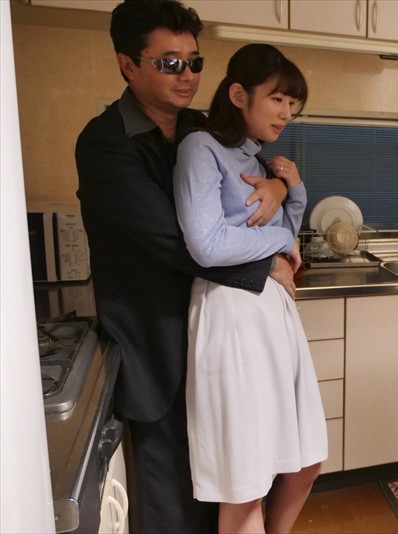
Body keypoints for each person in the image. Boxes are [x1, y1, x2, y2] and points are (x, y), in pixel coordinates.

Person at [75, 1, 292, 531]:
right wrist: (267, 262)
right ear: (128, 65)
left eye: (194, 62)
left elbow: (257, 169)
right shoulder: (105, 144)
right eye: (170, 63)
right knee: (171, 509)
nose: (188, 75)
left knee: (234, 493)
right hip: (158, 353)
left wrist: (280, 184)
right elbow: (178, 242)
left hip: (220, 345)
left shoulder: (204, 128)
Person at [173, 43, 326, 534]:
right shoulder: (200, 148)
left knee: (305, 460)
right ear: (239, 95)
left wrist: (293, 189)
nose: (286, 113)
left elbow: (287, 240)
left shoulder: (258, 160)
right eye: (277, 99)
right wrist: (279, 243)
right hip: (232, 316)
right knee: (245, 482)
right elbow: (208, 244)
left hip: (274, 315)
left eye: (292, 103)